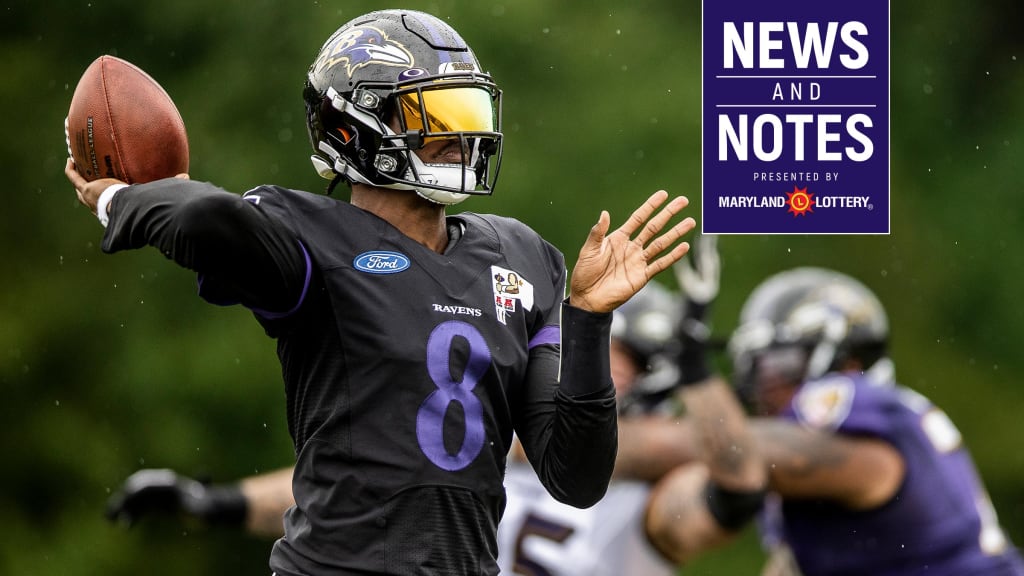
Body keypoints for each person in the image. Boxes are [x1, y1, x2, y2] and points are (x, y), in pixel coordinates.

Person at [65, 8, 696, 576]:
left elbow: (576, 476)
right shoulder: (309, 235)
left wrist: (587, 320)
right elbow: (205, 220)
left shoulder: (524, 258)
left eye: (468, 115)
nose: (463, 137)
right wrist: (125, 197)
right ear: (353, 126)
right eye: (437, 117)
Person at [106, 280, 687, 575]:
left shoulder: (669, 487)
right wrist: (214, 501)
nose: (589, 367)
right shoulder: (507, 432)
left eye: (615, 355)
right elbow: (353, 484)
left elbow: (724, 468)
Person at [642, 266, 1024, 576]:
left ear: (848, 361)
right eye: (756, 365)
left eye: (780, 361)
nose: (764, 380)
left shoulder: (849, 406)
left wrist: (693, 376)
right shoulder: (817, 466)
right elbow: (683, 525)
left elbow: (745, 457)